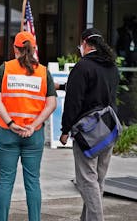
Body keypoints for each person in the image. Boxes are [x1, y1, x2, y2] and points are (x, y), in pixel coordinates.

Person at [0, 31, 57, 221]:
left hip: (8, 132)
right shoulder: (43, 71)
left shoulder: (6, 68)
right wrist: (33, 125)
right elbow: (51, 103)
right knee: (33, 182)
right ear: (34, 49)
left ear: (15, 49)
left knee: (5, 181)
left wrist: (11, 123)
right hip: (33, 135)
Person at [59, 28, 119, 221]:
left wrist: (65, 130)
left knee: (86, 181)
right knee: (97, 181)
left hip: (88, 132)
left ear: (85, 43)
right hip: (108, 129)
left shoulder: (83, 66)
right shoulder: (111, 66)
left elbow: (73, 101)